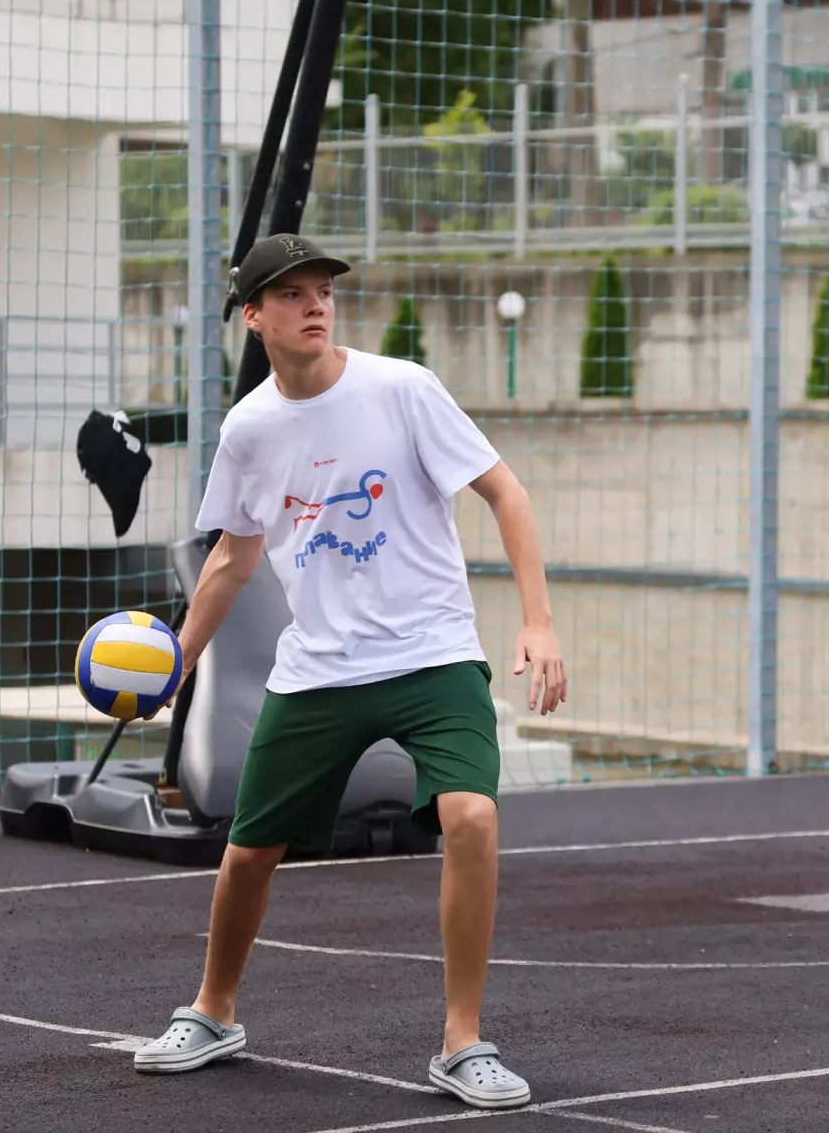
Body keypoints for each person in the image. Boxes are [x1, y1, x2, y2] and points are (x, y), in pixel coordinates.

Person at [130, 233, 565, 1111]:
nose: (316, 305)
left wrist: (538, 621)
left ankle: (463, 1041)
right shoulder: (249, 429)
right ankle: (213, 1012)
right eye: (291, 294)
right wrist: (179, 660)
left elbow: (506, 493)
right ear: (254, 317)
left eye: (323, 290)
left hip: (433, 652)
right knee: (248, 852)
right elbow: (231, 559)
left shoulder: (402, 389)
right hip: (320, 668)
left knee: (471, 817)